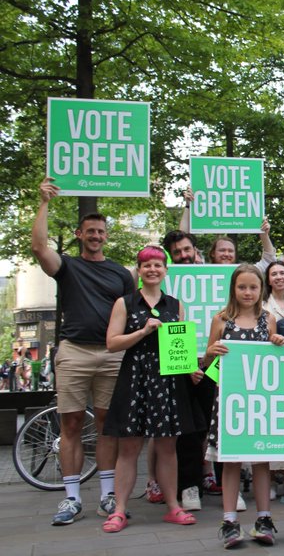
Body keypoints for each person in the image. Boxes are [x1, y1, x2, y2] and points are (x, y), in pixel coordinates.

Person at [31, 177, 135, 525]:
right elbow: (39, 247)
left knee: (107, 425)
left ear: (107, 236)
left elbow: (134, 314)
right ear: (79, 234)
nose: (96, 236)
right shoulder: (67, 266)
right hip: (74, 352)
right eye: (90, 231)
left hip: (111, 355)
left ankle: (107, 495)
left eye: (101, 232)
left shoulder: (121, 274)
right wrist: (44, 202)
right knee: (71, 423)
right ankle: (72, 498)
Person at [101, 246, 205, 532]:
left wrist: (190, 368)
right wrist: (143, 331)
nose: (152, 270)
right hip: (135, 377)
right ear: (139, 270)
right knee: (129, 447)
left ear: (165, 271)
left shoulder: (176, 305)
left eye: (158, 265)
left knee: (168, 446)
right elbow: (112, 343)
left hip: (167, 381)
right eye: (147, 265)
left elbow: (179, 346)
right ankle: (119, 510)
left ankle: (173, 506)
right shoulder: (125, 303)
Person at [203, 264, 284, 548]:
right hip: (230, 400)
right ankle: (230, 521)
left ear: (261, 289)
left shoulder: (268, 319)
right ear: (233, 289)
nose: (248, 292)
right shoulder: (221, 320)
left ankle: (264, 519)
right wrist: (211, 352)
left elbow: (273, 358)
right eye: (242, 287)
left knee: (261, 460)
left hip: (259, 401)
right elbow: (208, 364)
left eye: (253, 287)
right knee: (230, 461)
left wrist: (278, 341)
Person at [160, 230, 221, 508]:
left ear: (195, 250)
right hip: (181, 364)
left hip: (214, 363)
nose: (183, 255)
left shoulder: (216, 278)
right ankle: (189, 487)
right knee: (186, 428)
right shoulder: (165, 282)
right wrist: (187, 365)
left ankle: (224, 483)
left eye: (187, 250)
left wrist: (207, 361)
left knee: (215, 424)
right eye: (177, 252)